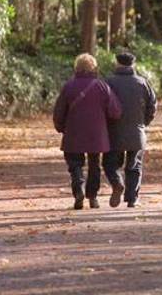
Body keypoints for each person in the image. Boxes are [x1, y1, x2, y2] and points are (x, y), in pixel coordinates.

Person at [53, 53, 122, 210]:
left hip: (73, 132)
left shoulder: (68, 86)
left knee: (74, 163)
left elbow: (59, 111)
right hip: (96, 134)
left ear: (76, 68)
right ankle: (93, 197)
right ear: (94, 68)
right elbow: (115, 111)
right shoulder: (102, 86)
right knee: (94, 164)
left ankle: (78, 189)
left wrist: (61, 127)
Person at [104, 52, 157, 208]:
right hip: (137, 131)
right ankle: (132, 198)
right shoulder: (143, 83)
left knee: (110, 163)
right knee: (134, 165)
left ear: (117, 64)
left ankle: (117, 183)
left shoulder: (108, 82)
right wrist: (143, 123)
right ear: (133, 65)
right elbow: (152, 107)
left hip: (113, 131)